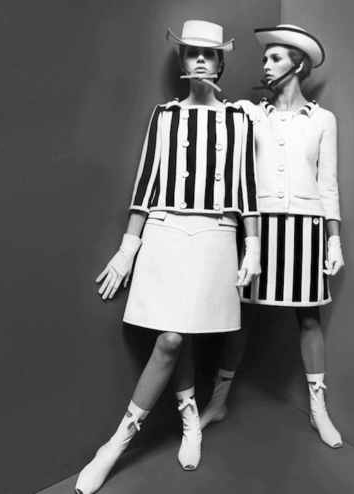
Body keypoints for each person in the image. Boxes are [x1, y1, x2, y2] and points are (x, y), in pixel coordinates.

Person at [74, 20, 261, 494]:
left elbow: (247, 187)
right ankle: (123, 442)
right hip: (165, 229)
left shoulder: (238, 120)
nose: (199, 60)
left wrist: (254, 246)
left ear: (220, 63)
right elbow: (146, 183)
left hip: (216, 233)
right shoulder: (165, 116)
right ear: (181, 61)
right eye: (191, 52)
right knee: (173, 337)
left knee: (180, 334)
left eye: (209, 53)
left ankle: (183, 420)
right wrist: (127, 249)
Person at [198, 25, 345, 449]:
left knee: (309, 318)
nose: (265, 65)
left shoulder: (323, 120)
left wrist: (334, 239)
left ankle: (318, 409)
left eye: (275, 58)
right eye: (264, 59)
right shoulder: (251, 112)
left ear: (298, 65)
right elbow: (216, 115)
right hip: (258, 230)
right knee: (240, 316)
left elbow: (328, 183)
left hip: (305, 229)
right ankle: (218, 401)